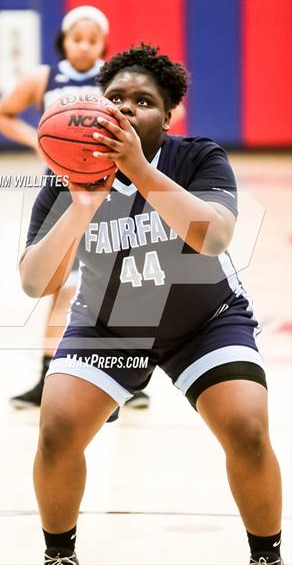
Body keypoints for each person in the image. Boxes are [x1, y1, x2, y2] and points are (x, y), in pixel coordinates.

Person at [19, 44, 284, 565]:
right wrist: (80, 207)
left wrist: (138, 170)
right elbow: (35, 282)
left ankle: (266, 556)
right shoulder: (68, 172)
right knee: (56, 428)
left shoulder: (198, 156)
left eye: (142, 101)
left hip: (204, 323)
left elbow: (214, 237)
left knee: (248, 429)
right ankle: (59, 555)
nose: (124, 107)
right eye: (114, 97)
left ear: (168, 114)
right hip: (108, 328)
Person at [0, 5, 150, 411]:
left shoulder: (117, 79)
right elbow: (2, 113)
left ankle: (127, 377)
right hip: (62, 190)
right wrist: (39, 141)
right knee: (60, 286)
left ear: (102, 43)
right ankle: (47, 376)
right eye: (77, 38)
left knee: (118, 284)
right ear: (64, 40)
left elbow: (158, 112)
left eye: (92, 39)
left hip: (111, 187)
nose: (84, 45)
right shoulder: (43, 78)